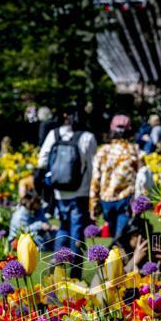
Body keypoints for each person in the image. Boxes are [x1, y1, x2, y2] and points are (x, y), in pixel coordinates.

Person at [37, 105, 97, 278]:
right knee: (77, 230)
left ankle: (58, 267)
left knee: (63, 226)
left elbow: (42, 160)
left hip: (59, 190)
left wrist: (52, 176)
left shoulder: (54, 134)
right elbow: (92, 166)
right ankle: (76, 271)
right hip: (80, 191)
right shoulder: (87, 137)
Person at [91, 114, 141, 238]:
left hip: (106, 200)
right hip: (126, 198)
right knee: (122, 238)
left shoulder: (103, 150)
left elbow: (95, 179)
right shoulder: (134, 150)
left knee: (117, 236)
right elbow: (141, 178)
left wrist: (93, 205)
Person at [9, 177, 56, 248]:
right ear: (32, 203)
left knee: (55, 234)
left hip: (35, 233)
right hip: (18, 238)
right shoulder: (20, 215)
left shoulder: (38, 209)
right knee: (38, 239)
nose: (40, 204)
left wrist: (50, 226)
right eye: (38, 202)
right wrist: (40, 225)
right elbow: (22, 231)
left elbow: (44, 221)